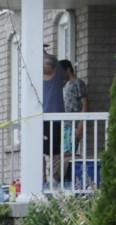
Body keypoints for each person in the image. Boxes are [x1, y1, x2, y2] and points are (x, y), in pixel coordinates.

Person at [43, 51, 66, 181]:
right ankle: (52, 180)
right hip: (52, 114)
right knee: (52, 151)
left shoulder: (49, 60)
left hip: (49, 115)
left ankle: (52, 181)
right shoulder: (55, 62)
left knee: (50, 152)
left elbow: (48, 67)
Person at [60, 59, 88, 157]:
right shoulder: (65, 85)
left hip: (74, 124)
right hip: (65, 124)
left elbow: (85, 105)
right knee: (62, 152)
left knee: (68, 153)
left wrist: (80, 126)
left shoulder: (78, 83)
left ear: (68, 69)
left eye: (61, 71)